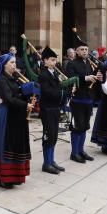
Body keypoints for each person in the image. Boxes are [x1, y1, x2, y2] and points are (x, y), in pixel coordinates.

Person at [0, 53, 35, 188]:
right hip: (6, 115)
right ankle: (2, 177)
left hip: (17, 116)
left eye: (14, 62)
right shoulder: (1, 80)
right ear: (4, 65)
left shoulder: (15, 78)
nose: (14, 65)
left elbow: (18, 94)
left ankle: (14, 176)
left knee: (15, 144)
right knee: (4, 144)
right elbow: (9, 98)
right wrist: (25, 104)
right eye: (11, 63)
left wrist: (28, 92)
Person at [33, 46, 76, 174]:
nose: (54, 62)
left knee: (54, 136)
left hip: (55, 108)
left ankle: (51, 161)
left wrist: (67, 91)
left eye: (55, 60)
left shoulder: (54, 73)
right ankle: (46, 163)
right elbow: (48, 92)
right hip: (47, 109)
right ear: (45, 61)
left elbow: (58, 88)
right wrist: (64, 92)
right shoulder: (44, 74)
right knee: (48, 136)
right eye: (52, 60)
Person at [66, 34, 101, 163]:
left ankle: (81, 150)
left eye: (86, 50)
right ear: (76, 51)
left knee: (85, 126)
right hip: (77, 99)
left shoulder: (88, 64)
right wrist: (85, 78)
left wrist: (96, 78)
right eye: (82, 50)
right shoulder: (72, 64)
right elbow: (70, 79)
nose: (85, 52)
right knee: (78, 126)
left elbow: (91, 78)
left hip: (88, 99)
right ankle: (74, 153)